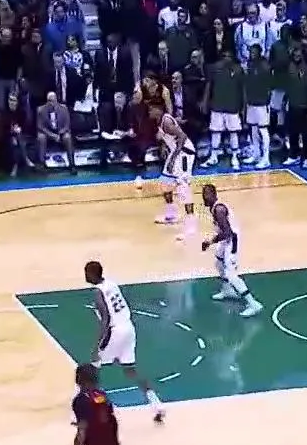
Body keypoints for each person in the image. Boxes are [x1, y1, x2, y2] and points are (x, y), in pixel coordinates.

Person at [84, 260, 165, 423]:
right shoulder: (112, 284)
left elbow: (106, 319)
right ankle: (157, 404)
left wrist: (98, 344)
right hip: (128, 328)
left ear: (92, 274)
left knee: (92, 368)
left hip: (115, 331)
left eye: (86, 273)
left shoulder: (98, 292)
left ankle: (86, 411)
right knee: (131, 371)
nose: (85, 276)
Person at [200, 183, 263, 318]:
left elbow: (227, 232)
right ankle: (227, 290)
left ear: (214, 195)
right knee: (218, 263)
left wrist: (210, 241)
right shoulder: (213, 207)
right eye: (203, 195)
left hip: (232, 241)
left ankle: (253, 304)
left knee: (231, 275)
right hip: (226, 240)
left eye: (207, 195)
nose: (204, 198)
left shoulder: (219, 210)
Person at [150, 104, 196, 241]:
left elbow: (182, 136)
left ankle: (191, 225)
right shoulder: (159, 121)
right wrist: (165, 146)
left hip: (184, 154)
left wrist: (174, 158)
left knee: (183, 188)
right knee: (165, 183)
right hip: (175, 152)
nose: (149, 112)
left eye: (151, 109)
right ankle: (171, 215)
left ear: (158, 110)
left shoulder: (167, 122)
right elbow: (169, 138)